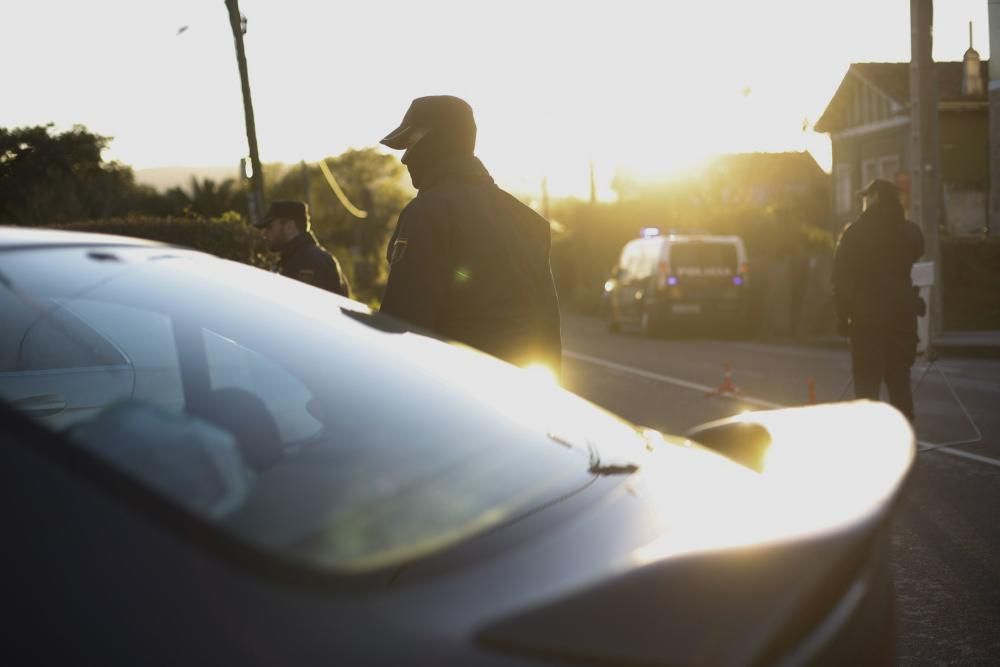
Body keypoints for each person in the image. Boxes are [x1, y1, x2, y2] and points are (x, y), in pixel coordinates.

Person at [378, 95, 562, 376]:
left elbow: (402, 322)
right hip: (519, 396)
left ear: (436, 141)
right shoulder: (529, 219)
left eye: (410, 144)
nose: (404, 159)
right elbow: (549, 328)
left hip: (454, 392)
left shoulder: (428, 212)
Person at [833, 178, 925, 422]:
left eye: (866, 197)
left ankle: (871, 442)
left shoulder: (854, 233)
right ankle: (906, 440)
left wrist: (842, 319)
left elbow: (839, 279)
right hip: (902, 321)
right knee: (900, 383)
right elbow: (915, 255)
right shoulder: (911, 232)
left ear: (873, 198)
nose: (863, 202)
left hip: (867, 322)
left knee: (867, 387)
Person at [254, 200, 351, 298]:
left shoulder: (311, 263)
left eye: (270, 227)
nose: (265, 234)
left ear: (289, 226)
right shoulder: (293, 260)